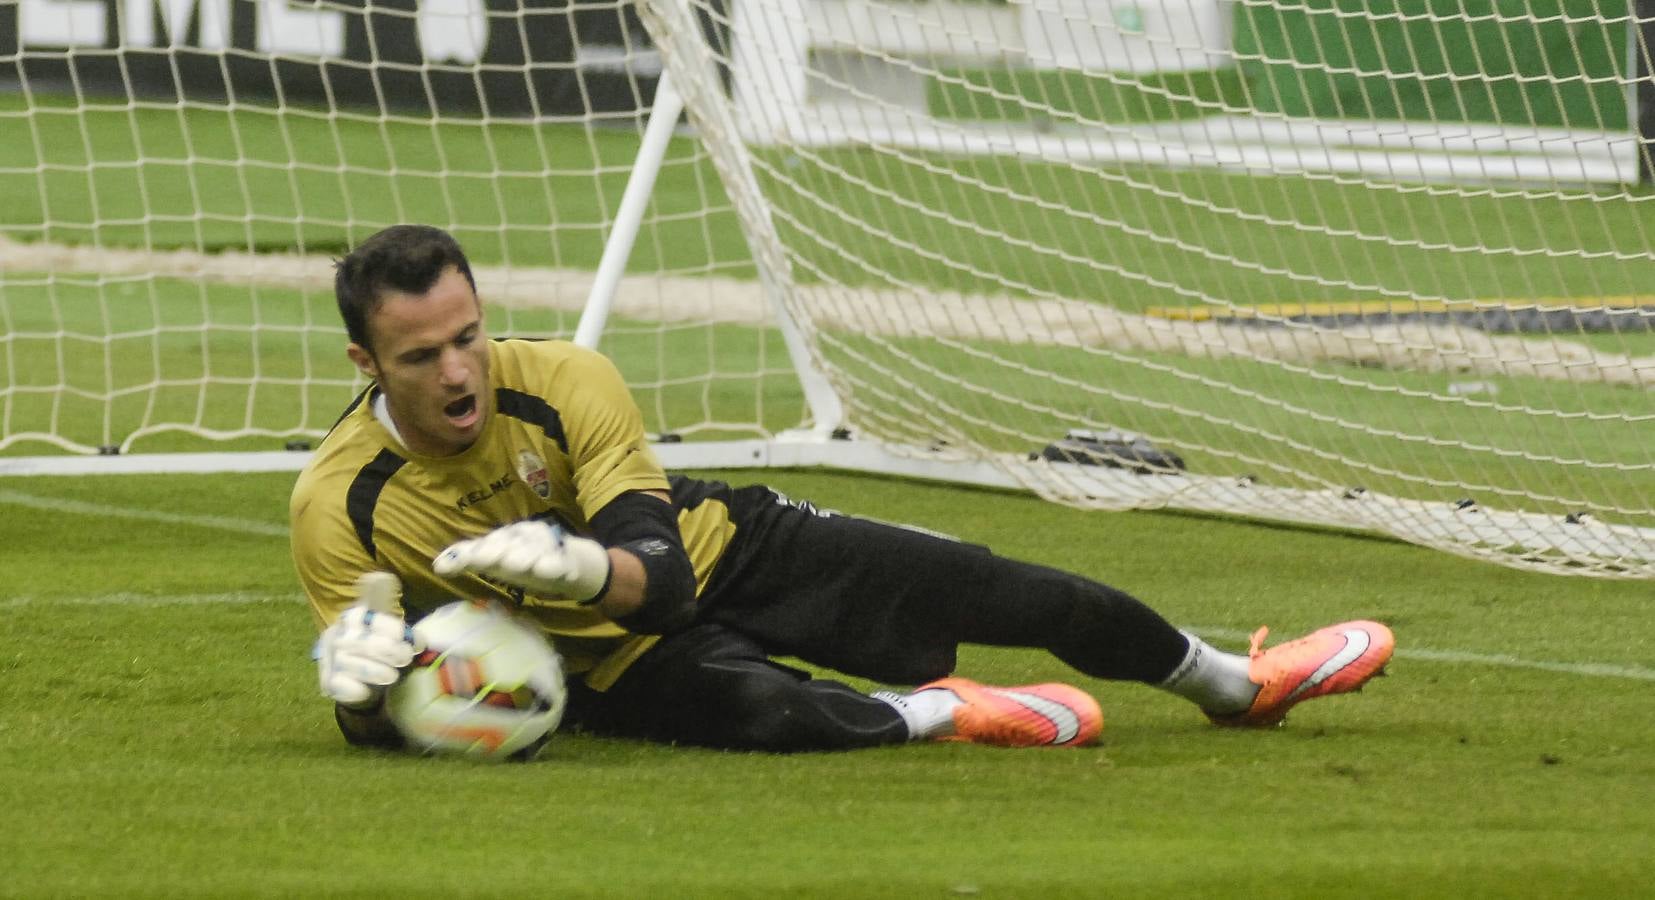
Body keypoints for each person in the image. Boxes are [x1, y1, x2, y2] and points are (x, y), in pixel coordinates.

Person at [292, 224, 1395, 753]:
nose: (456, 373)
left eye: (467, 338)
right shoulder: (338, 504)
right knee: (765, 715)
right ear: (365, 366)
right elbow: (379, 715)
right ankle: (941, 711)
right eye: (420, 356)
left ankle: (1231, 683)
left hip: (727, 546)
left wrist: (583, 564)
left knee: (1014, 592)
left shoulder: (566, 380)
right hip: (612, 657)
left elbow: (665, 571)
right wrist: (359, 688)